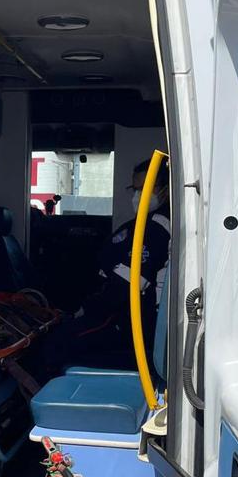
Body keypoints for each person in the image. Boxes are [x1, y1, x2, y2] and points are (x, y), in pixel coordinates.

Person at [35, 158, 170, 376]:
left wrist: (86, 311)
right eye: (135, 189)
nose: (138, 195)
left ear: (165, 189)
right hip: (117, 312)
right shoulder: (145, 223)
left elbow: (125, 287)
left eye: (146, 188)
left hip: (126, 321)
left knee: (56, 344)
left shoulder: (157, 227)